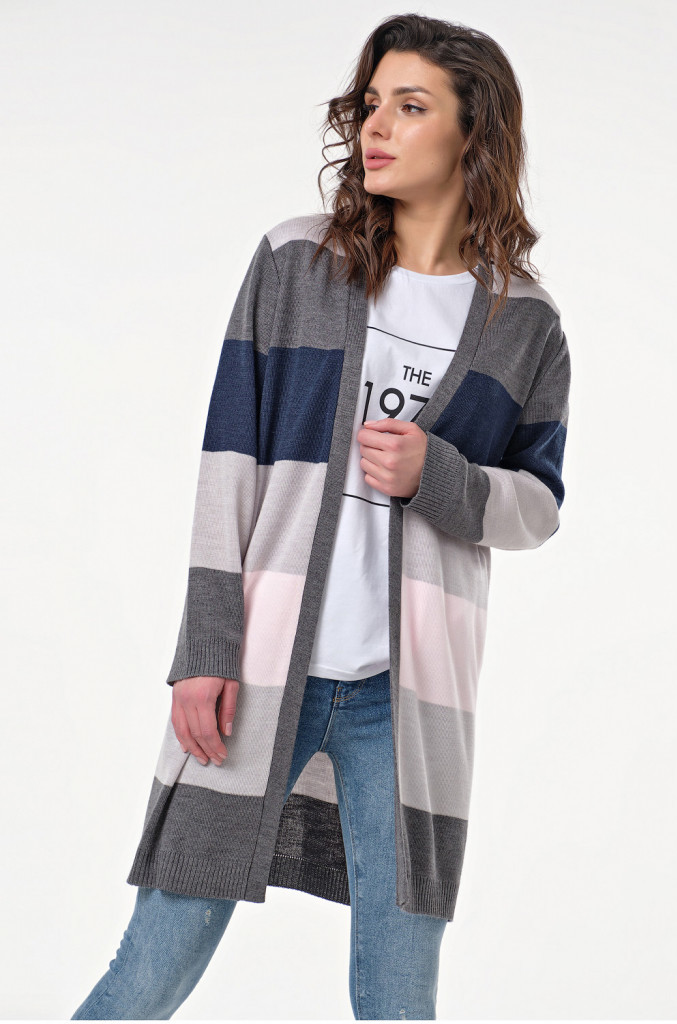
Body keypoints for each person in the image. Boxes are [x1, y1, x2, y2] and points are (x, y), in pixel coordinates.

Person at [71, 12, 571, 1021]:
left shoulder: (523, 322)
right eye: (371, 103)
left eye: (410, 106)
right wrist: (204, 649)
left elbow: (538, 506)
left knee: (398, 997)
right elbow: (229, 464)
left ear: (472, 133)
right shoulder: (298, 263)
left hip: (407, 701)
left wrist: (441, 475)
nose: (376, 126)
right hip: (263, 671)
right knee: (151, 967)